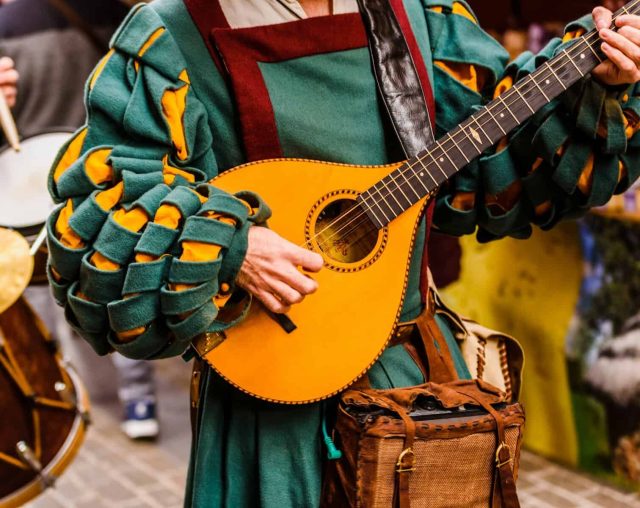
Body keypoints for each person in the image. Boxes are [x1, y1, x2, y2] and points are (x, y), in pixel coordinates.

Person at [45, 0, 640, 505]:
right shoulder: (170, 34)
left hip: (417, 385)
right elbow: (99, 220)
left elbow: (496, 167)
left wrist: (594, 90)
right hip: (271, 400)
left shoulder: (415, 15)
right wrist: (232, 243)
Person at [0, 0, 160, 440]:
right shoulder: (115, 13)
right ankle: (138, 401)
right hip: (95, 173)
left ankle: (57, 397)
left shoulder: (5, 25)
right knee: (116, 283)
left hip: (25, 182)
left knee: (35, 292)